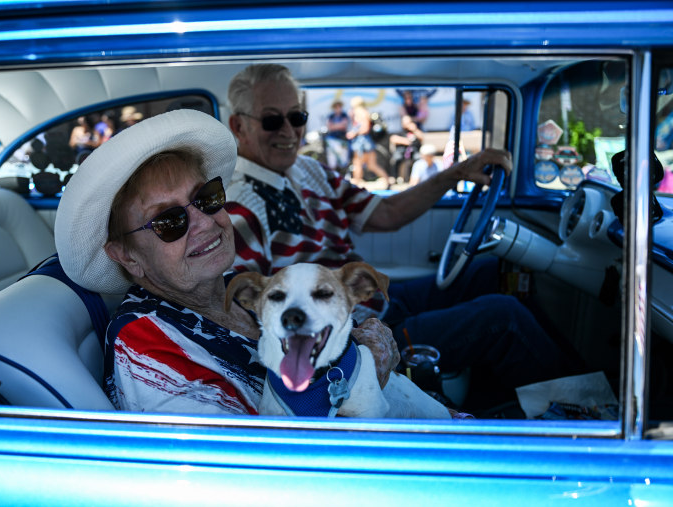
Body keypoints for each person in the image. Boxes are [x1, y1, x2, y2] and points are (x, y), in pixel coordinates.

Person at [225, 63, 578, 409]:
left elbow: (386, 213)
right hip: (355, 335)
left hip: (373, 304)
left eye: (297, 117)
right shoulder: (239, 206)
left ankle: (547, 393)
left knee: (493, 273)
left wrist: (456, 173)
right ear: (238, 127)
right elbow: (252, 315)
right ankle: (578, 411)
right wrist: (351, 350)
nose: (289, 131)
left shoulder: (308, 169)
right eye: (273, 120)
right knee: (504, 315)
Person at [54, 109, 404, 415]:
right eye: (169, 221)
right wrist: (368, 379)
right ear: (127, 255)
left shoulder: (237, 288)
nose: (206, 222)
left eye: (207, 198)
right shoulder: (146, 344)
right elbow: (256, 468)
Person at [346, 96, 392, 187]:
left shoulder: (359, 112)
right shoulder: (365, 111)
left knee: (358, 164)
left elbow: (365, 128)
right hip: (366, 142)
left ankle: (355, 185)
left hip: (362, 143)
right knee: (371, 165)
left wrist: (353, 133)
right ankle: (387, 180)